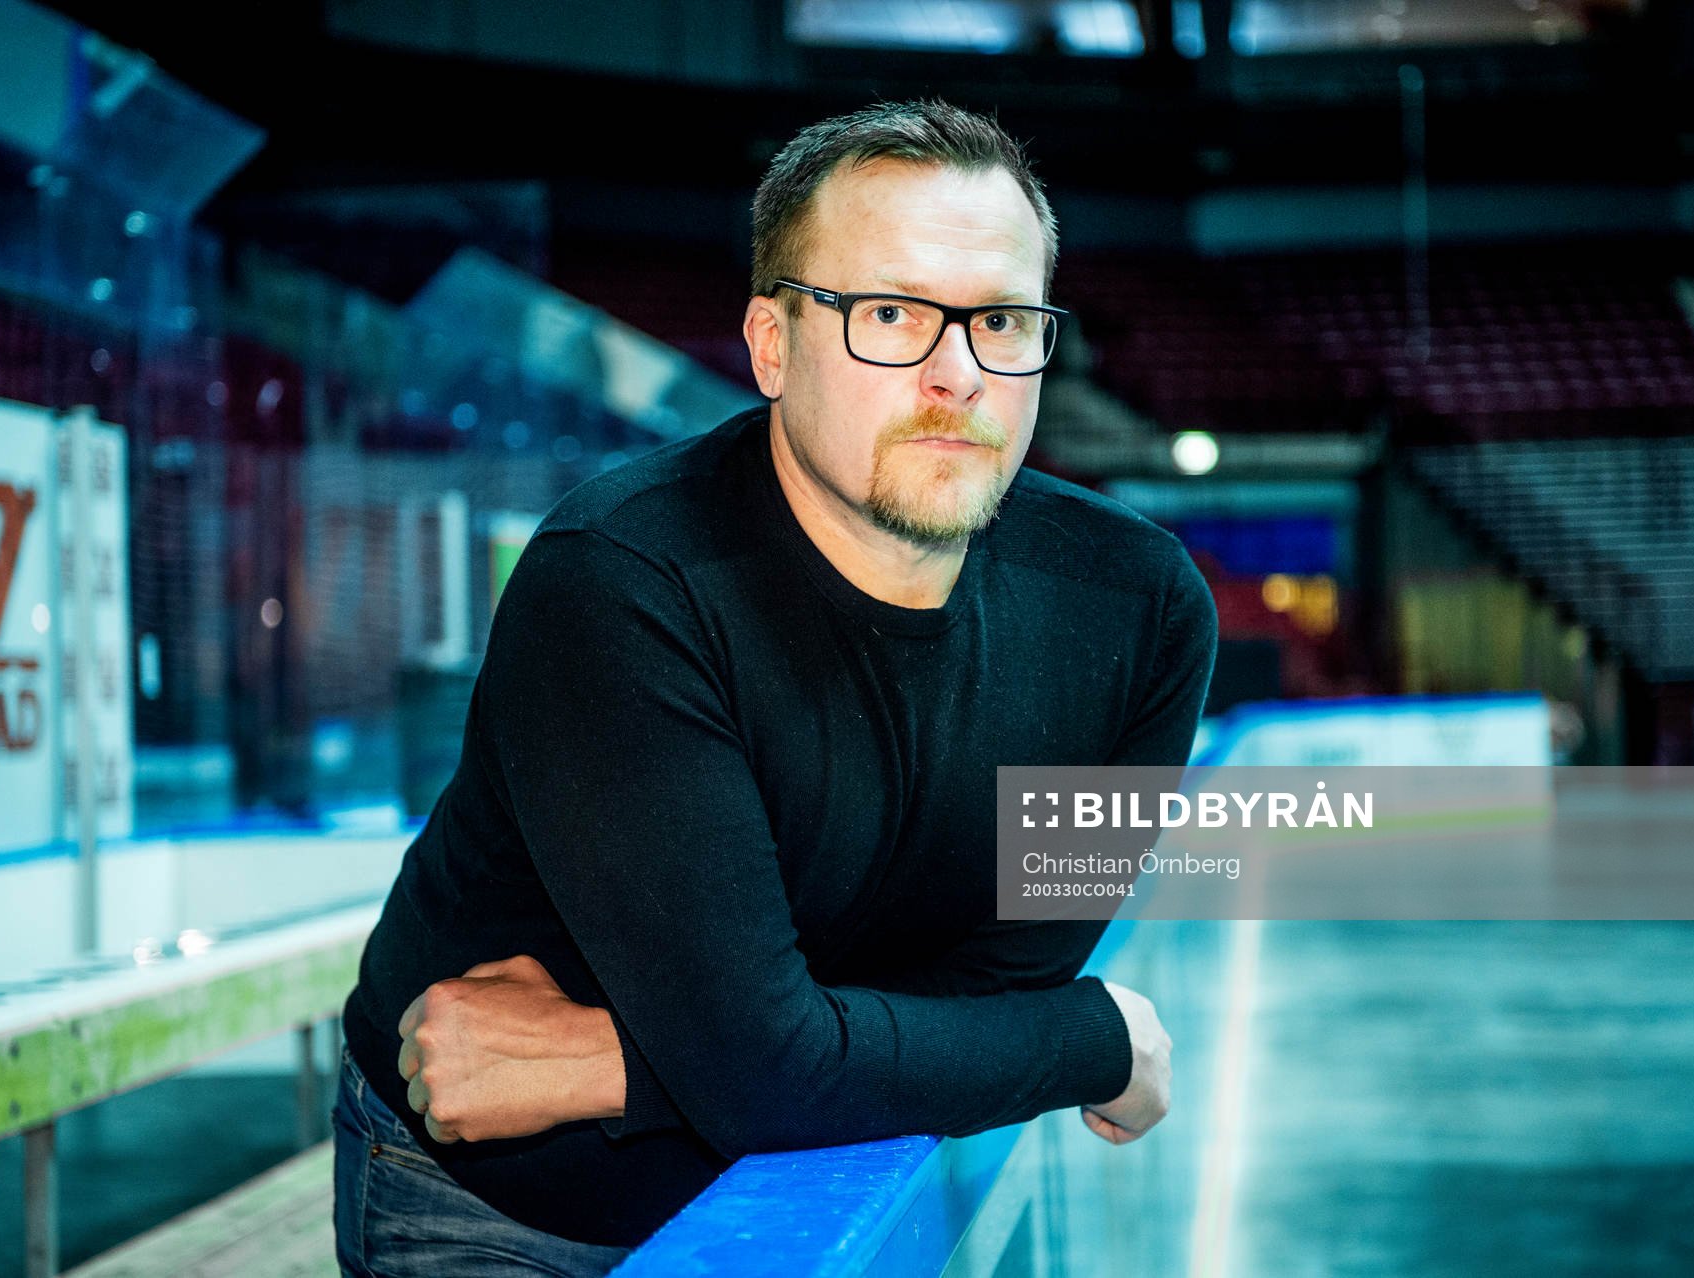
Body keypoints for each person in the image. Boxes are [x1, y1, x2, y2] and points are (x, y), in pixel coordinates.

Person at [332, 98, 1217, 1278]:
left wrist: (624, 1064)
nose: (959, 374)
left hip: (833, 1175)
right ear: (772, 344)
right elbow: (930, 1037)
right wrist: (1095, 1037)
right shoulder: (623, 585)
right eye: (892, 314)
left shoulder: (1141, 612)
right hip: (512, 1208)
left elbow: (999, 990)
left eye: (1001, 320)